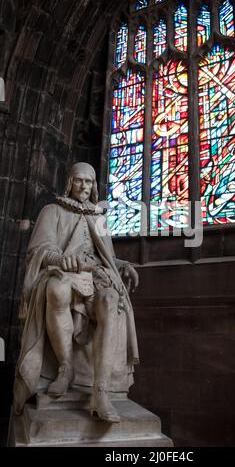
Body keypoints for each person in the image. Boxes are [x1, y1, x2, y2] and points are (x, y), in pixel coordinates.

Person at [13, 162, 139, 423]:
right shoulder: (52, 210)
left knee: (111, 300)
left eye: (89, 182)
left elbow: (108, 258)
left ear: (94, 187)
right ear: (70, 182)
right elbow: (38, 251)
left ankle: (101, 392)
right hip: (64, 275)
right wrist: (60, 260)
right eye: (79, 181)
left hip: (96, 278)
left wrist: (124, 265)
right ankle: (65, 368)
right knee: (57, 290)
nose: (84, 186)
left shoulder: (99, 218)